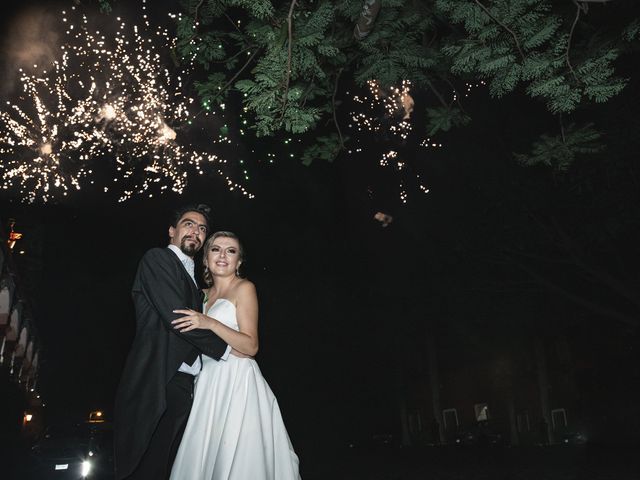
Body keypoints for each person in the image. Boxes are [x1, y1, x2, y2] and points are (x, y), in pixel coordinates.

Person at [169, 231, 301, 480]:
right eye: (216, 249)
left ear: (238, 261)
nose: (222, 255)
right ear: (205, 259)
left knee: (239, 458)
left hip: (238, 382)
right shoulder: (200, 296)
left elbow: (251, 347)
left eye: (231, 251)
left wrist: (210, 323)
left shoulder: (244, 288)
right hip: (207, 384)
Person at [114, 204, 230, 480]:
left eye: (202, 229)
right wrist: (228, 349)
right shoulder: (158, 259)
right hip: (159, 376)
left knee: (167, 464)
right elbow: (178, 317)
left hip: (186, 382)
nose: (196, 231)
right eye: (189, 224)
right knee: (144, 464)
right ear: (171, 231)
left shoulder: (194, 276)